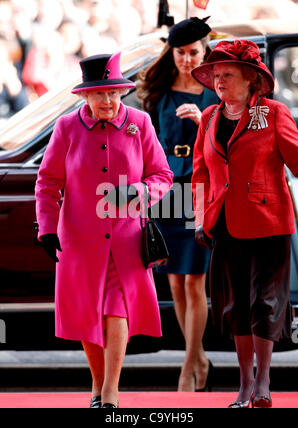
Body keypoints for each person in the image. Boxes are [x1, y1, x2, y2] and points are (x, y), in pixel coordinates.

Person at [35, 52, 173, 408]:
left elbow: (162, 176)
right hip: (79, 238)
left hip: (127, 238)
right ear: (85, 96)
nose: (108, 100)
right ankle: (98, 386)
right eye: (100, 94)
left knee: (117, 309)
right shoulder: (67, 128)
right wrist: (48, 229)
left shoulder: (139, 123)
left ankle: (109, 391)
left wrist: (139, 192)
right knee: (87, 312)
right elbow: (48, 182)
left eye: (114, 93)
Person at [191, 39, 298, 408]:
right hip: (223, 223)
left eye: (228, 75)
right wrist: (199, 218)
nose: (220, 82)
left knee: (265, 304)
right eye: (216, 75)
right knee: (234, 306)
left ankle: (264, 381)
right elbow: (200, 174)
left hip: (269, 221)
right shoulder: (208, 118)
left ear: (251, 79)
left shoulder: (271, 113)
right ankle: (244, 384)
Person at [137, 17, 218, 392]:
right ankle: (198, 357)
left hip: (201, 189)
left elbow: (230, 142)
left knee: (196, 281)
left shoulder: (216, 91)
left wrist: (204, 121)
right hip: (167, 192)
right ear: (171, 52)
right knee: (174, 282)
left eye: (193, 52)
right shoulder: (158, 93)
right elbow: (146, 148)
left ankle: (188, 366)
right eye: (181, 53)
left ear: (205, 51)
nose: (187, 60)